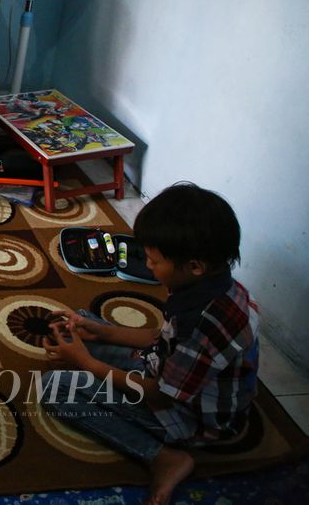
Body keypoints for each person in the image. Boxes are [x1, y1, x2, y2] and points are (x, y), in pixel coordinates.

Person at [41, 183, 258, 505]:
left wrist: (85, 362)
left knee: (55, 387)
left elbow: (157, 392)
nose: (149, 266)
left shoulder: (202, 324)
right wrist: (102, 333)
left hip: (189, 417)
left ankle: (162, 456)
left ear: (194, 265)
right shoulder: (211, 286)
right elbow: (163, 337)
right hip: (167, 368)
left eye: (154, 261)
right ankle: (92, 337)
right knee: (81, 321)